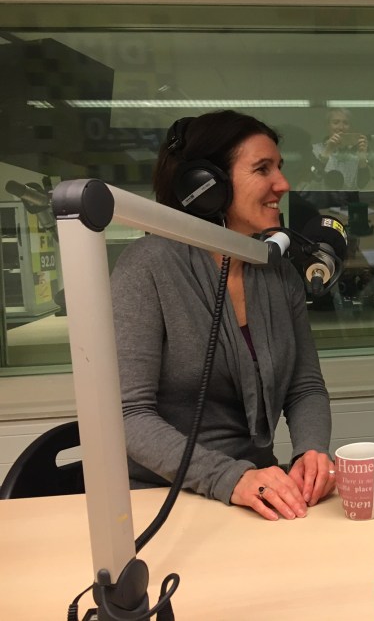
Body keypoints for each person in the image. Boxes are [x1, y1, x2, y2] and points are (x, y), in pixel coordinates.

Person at [111, 110, 335, 520]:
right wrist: (229, 478)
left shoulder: (276, 271)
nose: (283, 184)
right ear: (207, 184)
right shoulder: (146, 267)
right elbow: (128, 415)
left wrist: (311, 451)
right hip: (162, 501)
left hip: (257, 492)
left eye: (280, 167)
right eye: (263, 169)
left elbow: (305, 387)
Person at [310, 107, 371, 190]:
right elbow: (312, 179)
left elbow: (363, 185)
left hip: (348, 198)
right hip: (321, 197)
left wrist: (362, 157)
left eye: (346, 123)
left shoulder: (356, 153)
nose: (341, 127)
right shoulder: (314, 150)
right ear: (328, 126)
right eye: (335, 122)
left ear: (350, 127)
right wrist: (327, 151)